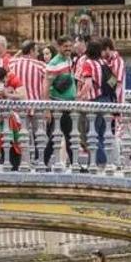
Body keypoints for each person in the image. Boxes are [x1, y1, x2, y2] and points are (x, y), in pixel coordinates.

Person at [45, 35, 76, 166]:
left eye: (70, 46)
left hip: (68, 105)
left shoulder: (69, 60)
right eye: (65, 47)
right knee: (56, 137)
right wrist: (47, 108)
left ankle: (74, 163)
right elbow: (46, 86)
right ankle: (42, 161)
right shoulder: (53, 64)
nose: (68, 49)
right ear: (59, 47)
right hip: (57, 105)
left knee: (69, 136)